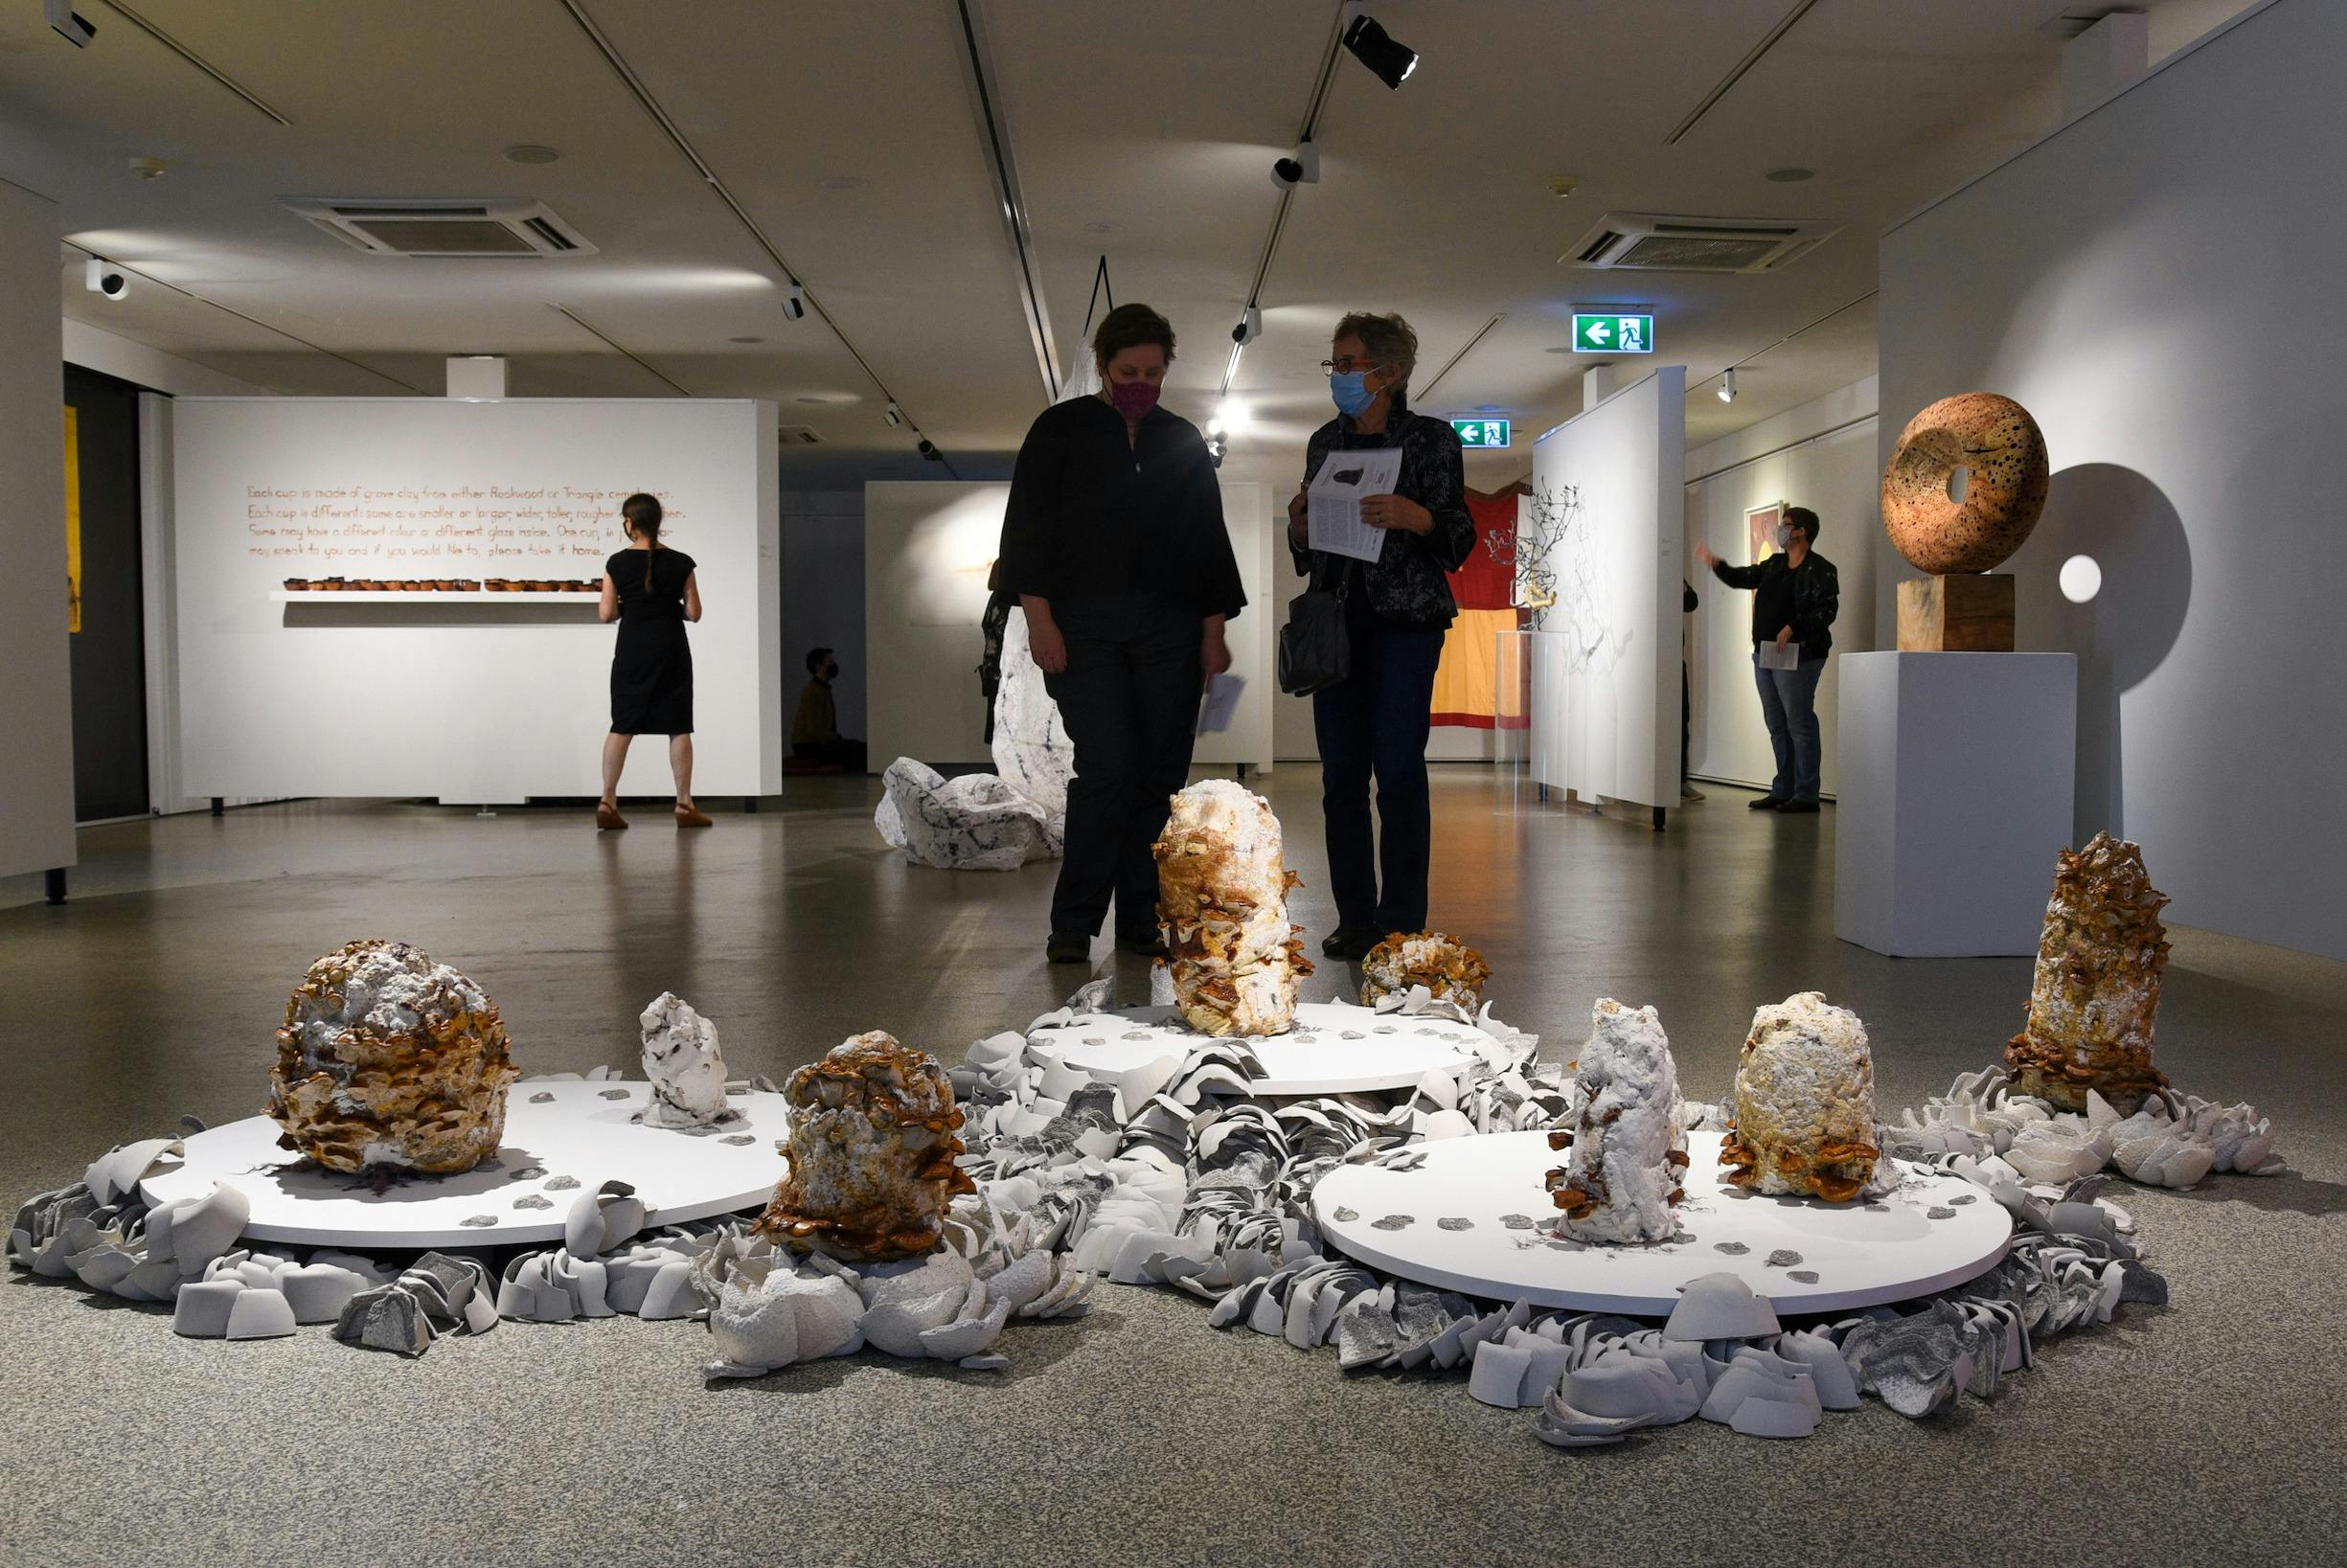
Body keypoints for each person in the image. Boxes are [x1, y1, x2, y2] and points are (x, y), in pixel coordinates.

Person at [997, 302, 1246, 965]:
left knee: (1159, 774)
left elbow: (1208, 545)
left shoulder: (1181, 440)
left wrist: (1213, 634)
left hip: (1170, 629)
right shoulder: (1059, 430)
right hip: (1084, 629)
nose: (1141, 384)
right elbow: (1026, 533)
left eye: (1153, 373)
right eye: (1128, 372)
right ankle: (1074, 922)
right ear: (1104, 367)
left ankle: (1141, 916)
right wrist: (1041, 623)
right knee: (1106, 768)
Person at [1287, 312, 1474, 960]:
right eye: (1334, 364)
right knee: (1340, 778)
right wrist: (1299, 531)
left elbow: (1459, 538)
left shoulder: (1431, 440)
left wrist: (1417, 517)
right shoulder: (1323, 443)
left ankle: (1400, 923)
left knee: (1397, 772)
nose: (1338, 375)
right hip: (1336, 626)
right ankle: (1354, 917)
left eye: (1349, 364)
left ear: (1389, 372)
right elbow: (1310, 551)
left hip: (1406, 627)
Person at [1696, 505, 1839, 813]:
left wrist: (1794, 626)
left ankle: (1806, 793)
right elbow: (1744, 578)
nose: (1780, 530)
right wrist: (1717, 564)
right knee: (1777, 723)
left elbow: (1827, 610)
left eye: (1786, 524)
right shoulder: (1775, 564)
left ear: (1802, 531)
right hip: (1766, 654)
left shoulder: (1820, 569)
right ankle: (1783, 788)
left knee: (1799, 722)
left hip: (1800, 655)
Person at [597, 492, 710, 829]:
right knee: (678, 724)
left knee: (623, 724)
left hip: (632, 648)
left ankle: (607, 801)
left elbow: (606, 614)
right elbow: (694, 613)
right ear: (658, 522)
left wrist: (632, 604)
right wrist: (668, 606)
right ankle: (684, 804)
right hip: (670, 647)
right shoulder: (681, 562)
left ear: (629, 523)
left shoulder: (616, 563)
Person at [791, 646, 866, 772]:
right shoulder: (813, 692)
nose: (833, 665)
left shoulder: (822, 689)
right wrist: (834, 737)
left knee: (858, 748)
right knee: (858, 750)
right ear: (819, 666)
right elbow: (813, 730)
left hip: (816, 743)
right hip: (807, 745)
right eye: (830, 662)